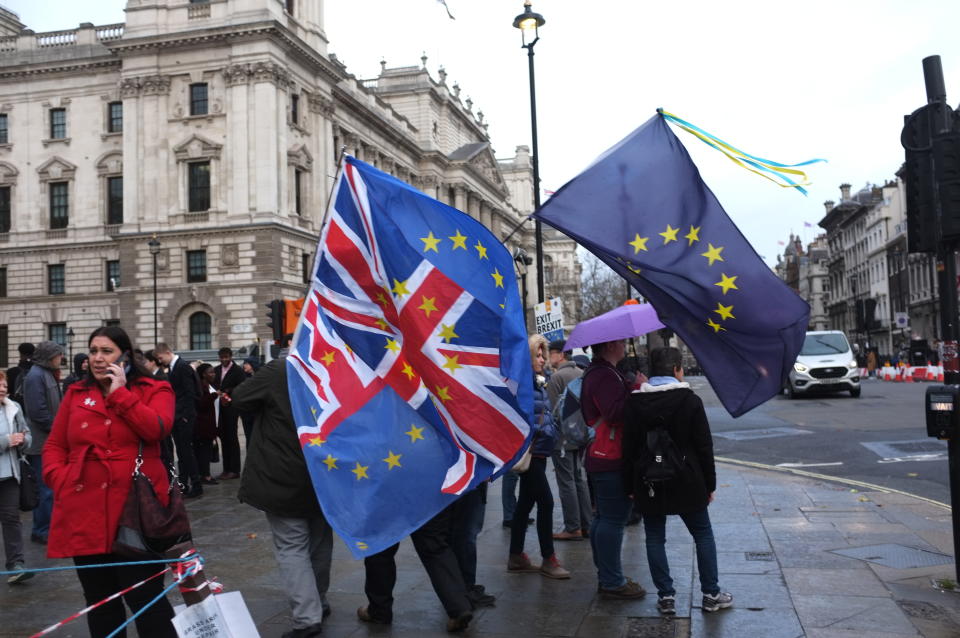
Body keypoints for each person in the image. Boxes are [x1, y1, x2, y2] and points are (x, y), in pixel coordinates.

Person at [43, 326, 177, 637]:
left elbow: (157, 429)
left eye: (107, 351)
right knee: (100, 601)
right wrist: (59, 478)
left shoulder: (155, 388)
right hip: (85, 510)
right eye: (93, 351)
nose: (98, 358)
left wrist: (120, 394)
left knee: (146, 598)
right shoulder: (76, 393)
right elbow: (55, 444)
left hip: (136, 513)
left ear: (125, 356)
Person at [623, 347, 733, 615]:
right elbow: (704, 447)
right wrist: (710, 485)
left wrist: (630, 487)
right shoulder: (689, 401)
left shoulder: (635, 403)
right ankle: (711, 593)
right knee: (703, 534)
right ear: (676, 370)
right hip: (688, 480)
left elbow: (629, 450)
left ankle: (666, 597)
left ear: (650, 372)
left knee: (655, 537)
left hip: (650, 481)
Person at [232, 358, 332, 638]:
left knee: (292, 546)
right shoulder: (336, 365)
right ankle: (318, 601)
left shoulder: (280, 369)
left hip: (283, 473)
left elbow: (239, 398)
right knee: (320, 540)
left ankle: (307, 616)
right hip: (326, 472)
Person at [581, 339, 647, 599]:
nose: (622, 345)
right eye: (619, 342)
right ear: (609, 345)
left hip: (601, 455)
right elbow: (615, 413)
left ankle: (607, 575)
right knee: (613, 520)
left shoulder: (602, 373)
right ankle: (612, 581)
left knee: (603, 519)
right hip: (610, 456)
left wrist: (629, 385)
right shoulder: (603, 375)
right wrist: (638, 389)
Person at [506, 335, 570, 579]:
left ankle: (515, 555)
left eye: (544, 355)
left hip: (540, 450)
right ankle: (548, 559)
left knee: (525, 504)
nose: (543, 359)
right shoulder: (521, 383)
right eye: (538, 355)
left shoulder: (540, 381)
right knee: (546, 503)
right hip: (530, 451)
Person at [358, 506, 474, 632]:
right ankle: (459, 607)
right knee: (435, 548)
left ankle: (379, 610)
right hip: (428, 495)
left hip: (388, 496)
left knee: (381, 549)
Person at [546, 347, 591, 541]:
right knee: (579, 479)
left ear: (561, 355)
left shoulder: (556, 378)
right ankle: (587, 524)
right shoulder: (581, 373)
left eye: (551, 353)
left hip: (562, 438)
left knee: (566, 482)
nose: (548, 358)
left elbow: (551, 411)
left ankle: (572, 527)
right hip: (581, 435)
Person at [23, 340, 64, 545]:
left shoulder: (46, 373)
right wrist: (58, 429)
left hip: (50, 441)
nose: (61, 358)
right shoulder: (35, 376)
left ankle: (49, 527)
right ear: (49, 356)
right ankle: (41, 530)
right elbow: (37, 411)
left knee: (51, 488)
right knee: (44, 489)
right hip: (41, 443)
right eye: (58, 355)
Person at [154, 343, 201, 498]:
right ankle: (184, 484)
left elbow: (190, 393)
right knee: (182, 451)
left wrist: (186, 416)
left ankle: (196, 484)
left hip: (184, 417)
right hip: (178, 416)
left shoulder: (182, 367)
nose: (161, 361)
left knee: (186, 452)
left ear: (167, 352)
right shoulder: (175, 367)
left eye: (161, 357)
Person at [0, 370, 33, 584]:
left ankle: (16, 565)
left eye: (4, 385)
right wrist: (5, 441)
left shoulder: (14, 407)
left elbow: (27, 433)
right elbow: (6, 440)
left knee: (12, 519)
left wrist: (23, 440)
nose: (4, 389)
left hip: (9, 474)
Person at [213, 347, 246, 480]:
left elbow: (242, 386)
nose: (224, 360)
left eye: (226, 357)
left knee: (232, 438)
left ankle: (235, 469)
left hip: (231, 407)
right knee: (223, 437)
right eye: (222, 357)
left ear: (231, 356)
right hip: (219, 407)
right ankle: (226, 469)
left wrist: (228, 392)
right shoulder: (216, 370)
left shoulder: (238, 371)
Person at [194, 363, 219, 486]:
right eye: (211, 372)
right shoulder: (201, 386)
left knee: (207, 450)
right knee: (204, 450)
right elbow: (201, 404)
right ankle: (205, 475)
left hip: (210, 423)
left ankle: (204, 473)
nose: (213, 374)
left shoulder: (209, 385)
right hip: (203, 424)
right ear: (203, 374)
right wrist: (215, 395)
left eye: (214, 372)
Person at [239, 356, 259, 442]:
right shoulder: (243, 377)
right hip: (246, 414)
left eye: (247, 364)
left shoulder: (259, 376)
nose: (244, 366)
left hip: (257, 413)